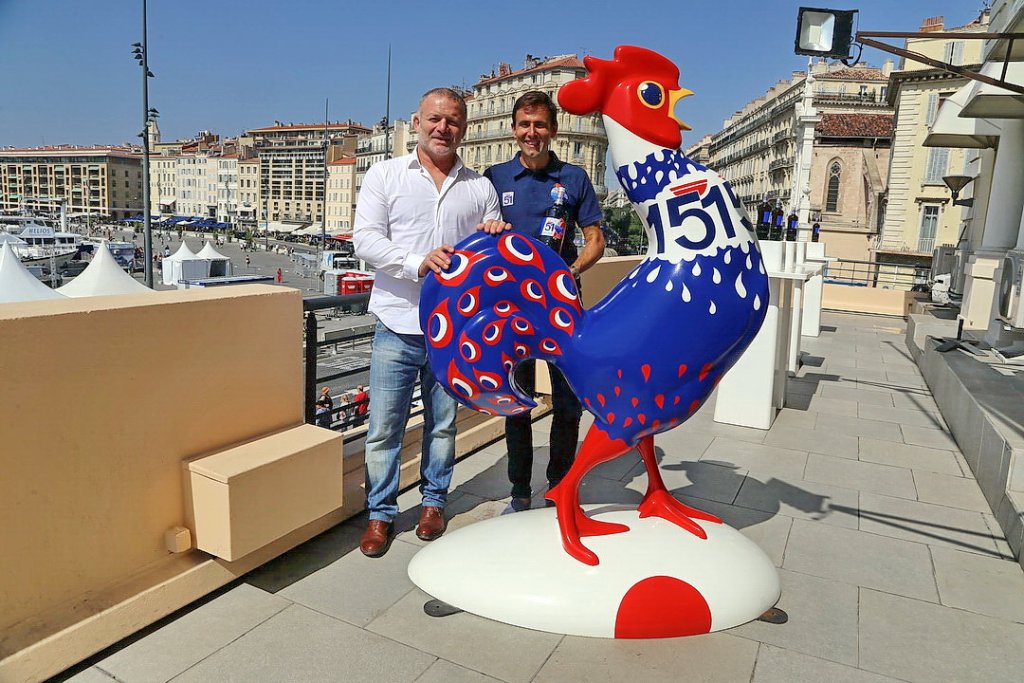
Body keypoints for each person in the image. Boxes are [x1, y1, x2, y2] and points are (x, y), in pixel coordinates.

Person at [353, 86, 510, 558]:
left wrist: (497, 234)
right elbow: (365, 241)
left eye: (453, 121)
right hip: (396, 323)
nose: (444, 128)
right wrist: (417, 262)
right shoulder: (384, 175)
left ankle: (433, 503)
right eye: (435, 119)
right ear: (417, 122)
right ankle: (380, 514)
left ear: (465, 128)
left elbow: (494, 261)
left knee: (443, 424)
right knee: (384, 427)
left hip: (455, 333)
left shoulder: (480, 188)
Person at [483, 91, 605, 514]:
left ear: (552, 130)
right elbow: (478, 237)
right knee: (515, 399)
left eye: (539, 125)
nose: (530, 133)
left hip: (560, 306)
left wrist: (567, 274)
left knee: (567, 401)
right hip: (511, 307)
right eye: (523, 125)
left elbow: (595, 241)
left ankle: (559, 484)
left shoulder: (574, 178)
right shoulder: (494, 177)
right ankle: (519, 489)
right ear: (513, 129)